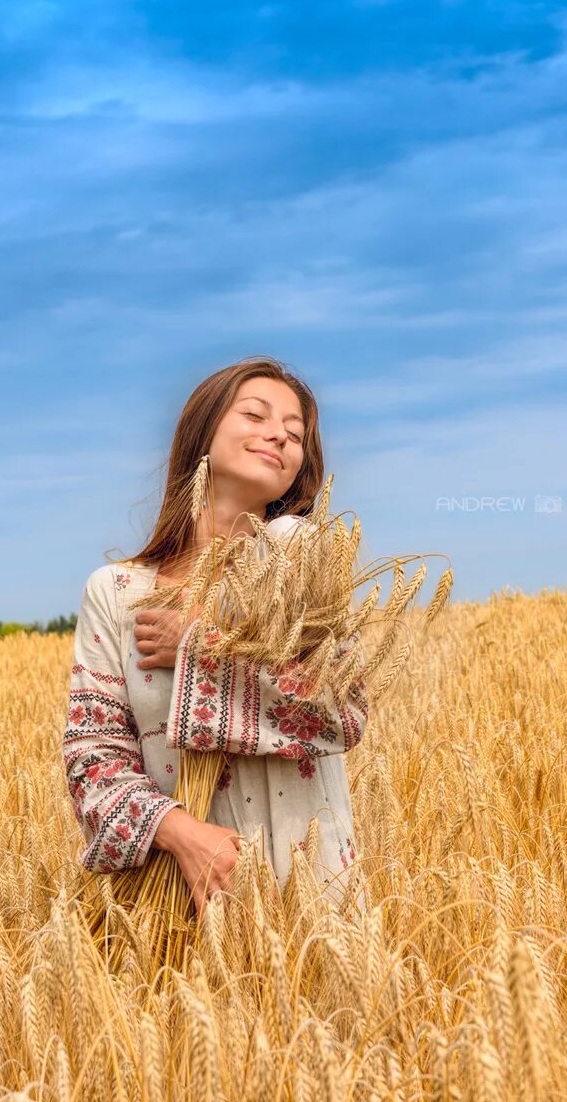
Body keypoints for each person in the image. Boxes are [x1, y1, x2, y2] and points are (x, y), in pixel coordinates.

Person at [61, 355, 368, 922]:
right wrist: (181, 834)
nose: (278, 433)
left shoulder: (302, 559)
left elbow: (341, 713)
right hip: (180, 899)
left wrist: (203, 647)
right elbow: (92, 757)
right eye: (255, 414)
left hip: (315, 895)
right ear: (203, 430)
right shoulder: (117, 592)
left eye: (295, 434)